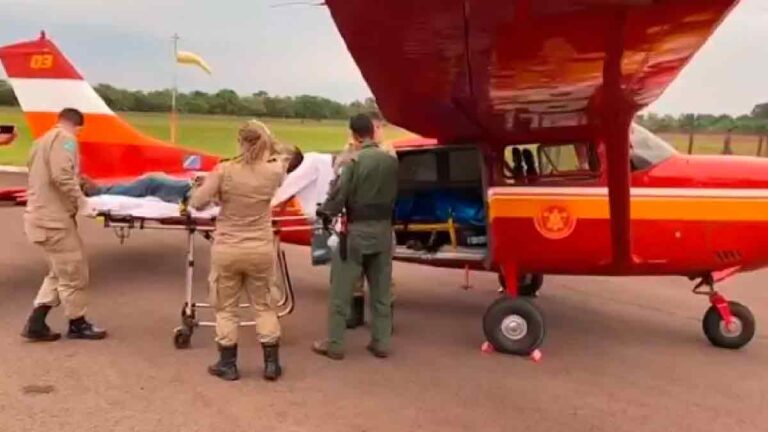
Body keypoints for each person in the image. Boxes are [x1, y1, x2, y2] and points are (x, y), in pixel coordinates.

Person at [189, 120, 287, 382]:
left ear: (241, 142)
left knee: (226, 308)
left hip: (229, 247)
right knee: (264, 306)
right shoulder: (275, 170)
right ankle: (271, 364)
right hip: (260, 248)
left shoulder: (225, 170)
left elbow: (197, 203)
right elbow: (282, 154)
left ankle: (228, 364)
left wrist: (206, 185)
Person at [312, 114, 399, 360]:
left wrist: (325, 212)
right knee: (381, 291)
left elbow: (338, 195)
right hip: (383, 231)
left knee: (341, 292)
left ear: (353, 134)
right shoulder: (391, 161)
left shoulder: (353, 161)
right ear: (373, 131)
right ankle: (381, 342)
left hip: (356, 233)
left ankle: (336, 344)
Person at [21, 108, 107, 342]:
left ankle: (36, 323)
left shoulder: (40, 142)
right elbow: (62, 176)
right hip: (53, 222)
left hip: (40, 217)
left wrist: (79, 183)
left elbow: (48, 175)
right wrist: (82, 202)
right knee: (74, 272)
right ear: (78, 126)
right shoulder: (66, 140)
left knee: (58, 272)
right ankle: (78, 323)